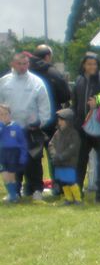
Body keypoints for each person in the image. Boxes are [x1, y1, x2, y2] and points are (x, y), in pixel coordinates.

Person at [0, 51, 54, 200]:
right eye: (19, 64)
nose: (23, 67)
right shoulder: (4, 82)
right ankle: (14, 191)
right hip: (10, 129)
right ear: (12, 64)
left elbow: (45, 107)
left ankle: (37, 189)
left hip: (31, 129)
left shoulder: (37, 82)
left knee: (34, 160)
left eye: (25, 64)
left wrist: (40, 122)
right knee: (12, 160)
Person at [71, 52, 100, 203]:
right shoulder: (79, 80)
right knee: (80, 161)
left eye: (94, 64)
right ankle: (77, 193)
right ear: (83, 65)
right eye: (89, 64)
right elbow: (75, 104)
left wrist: (98, 101)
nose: (92, 67)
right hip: (82, 128)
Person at [26, 45, 71, 198]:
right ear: (47, 57)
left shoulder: (26, 72)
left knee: (32, 155)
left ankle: (32, 187)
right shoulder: (52, 72)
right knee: (54, 153)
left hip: (31, 120)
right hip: (52, 117)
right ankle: (58, 185)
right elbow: (65, 95)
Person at [47, 108, 82, 204]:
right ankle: (68, 198)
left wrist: (62, 156)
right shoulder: (57, 133)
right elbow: (51, 144)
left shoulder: (73, 134)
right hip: (59, 163)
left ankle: (77, 198)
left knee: (71, 181)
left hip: (69, 162)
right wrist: (54, 155)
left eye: (62, 120)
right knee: (63, 182)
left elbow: (73, 148)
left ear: (69, 121)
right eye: (59, 120)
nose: (60, 122)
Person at [0, 103, 29, 203]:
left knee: (12, 175)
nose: (3, 116)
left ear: (10, 114)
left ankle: (14, 195)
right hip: (2, 153)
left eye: (5, 114)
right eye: (1, 114)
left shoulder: (16, 127)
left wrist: (23, 156)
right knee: (4, 175)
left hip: (13, 154)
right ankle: (11, 194)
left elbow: (22, 143)